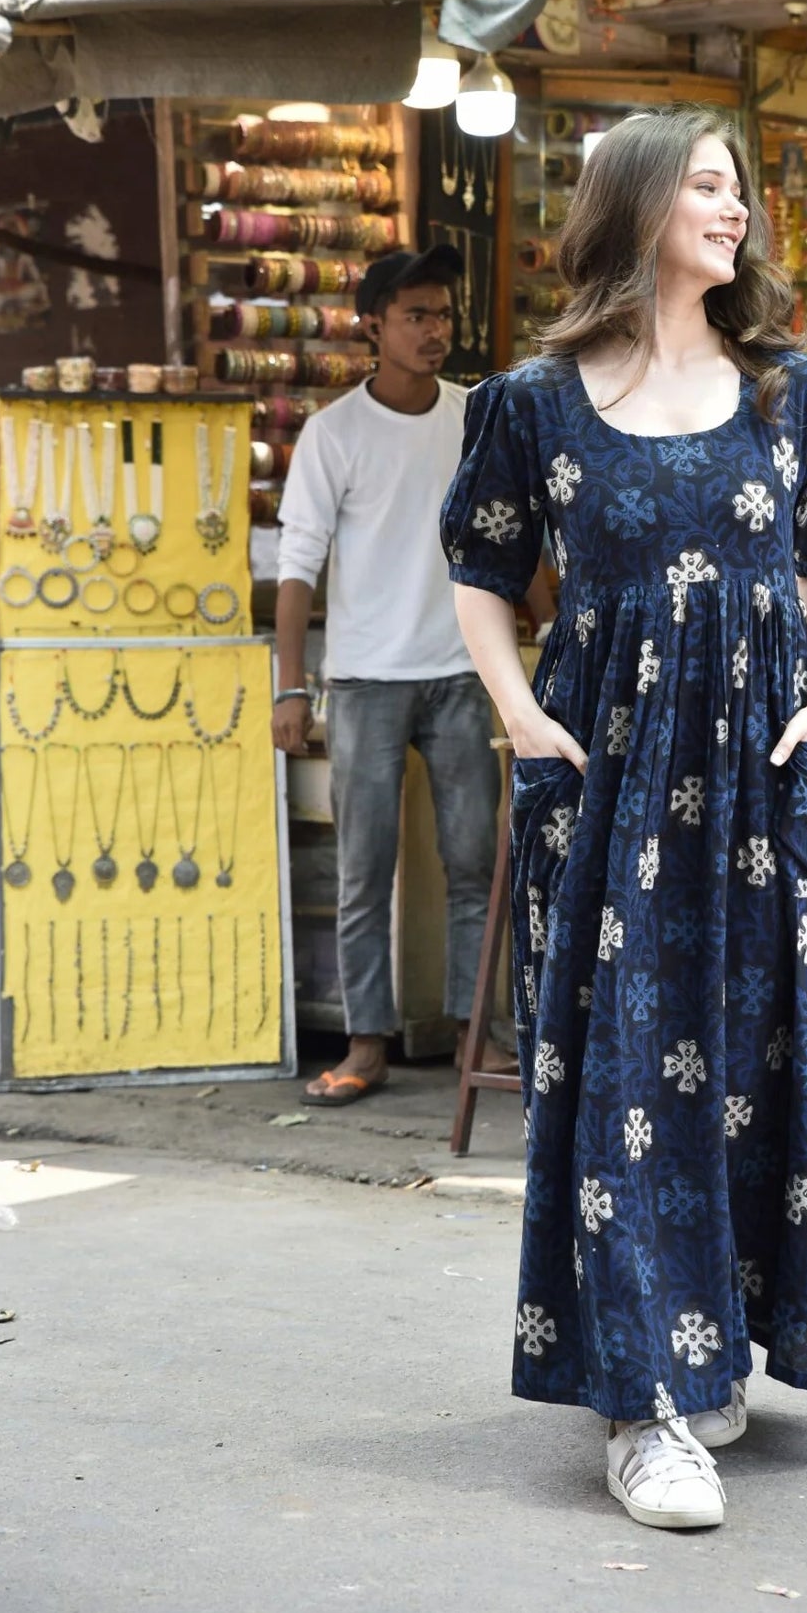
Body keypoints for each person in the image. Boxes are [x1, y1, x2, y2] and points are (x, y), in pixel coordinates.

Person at [440, 108, 807, 1531]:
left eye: (736, 189)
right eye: (703, 185)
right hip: (608, 776)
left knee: (758, 1054)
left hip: (761, 769)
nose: (731, 209)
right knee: (622, 1066)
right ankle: (644, 1404)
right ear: (632, 206)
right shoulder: (535, 402)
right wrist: (519, 714)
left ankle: (716, 1341)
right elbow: (482, 574)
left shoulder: (797, 396)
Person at [274, 244, 519, 1105]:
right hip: (365, 681)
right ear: (372, 326)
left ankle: (472, 1031)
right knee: (362, 869)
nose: (434, 330)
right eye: (416, 315)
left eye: (443, 314)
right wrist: (290, 685)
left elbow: (514, 532)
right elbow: (298, 566)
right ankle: (366, 1042)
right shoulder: (334, 432)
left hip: (461, 670)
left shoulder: (476, 417)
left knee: (473, 862)